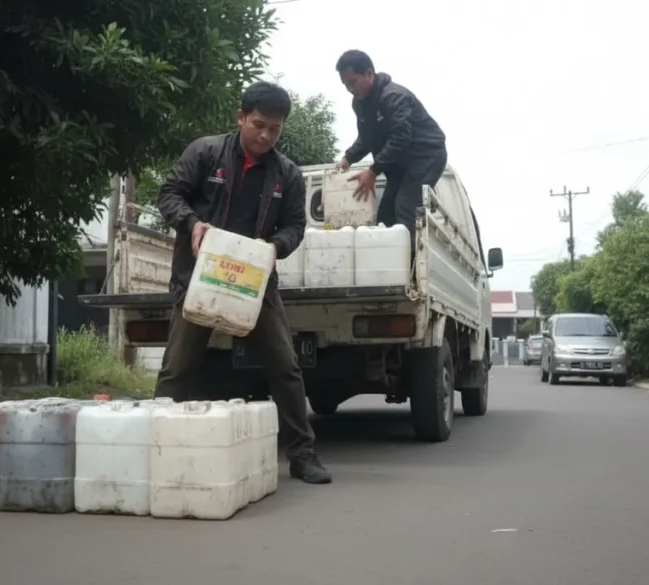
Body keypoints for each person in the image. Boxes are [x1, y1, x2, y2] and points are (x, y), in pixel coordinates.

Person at [154, 81, 332, 485]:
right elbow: (169, 193)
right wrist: (192, 222)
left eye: (275, 129)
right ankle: (156, 446)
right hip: (198, 276)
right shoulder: (206, 152)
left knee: (285, 367)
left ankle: (303, 455)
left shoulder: (286, 173)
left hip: (255, 281)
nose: (266, 135)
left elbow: (294, 226)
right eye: (258, 125)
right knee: (177, 368)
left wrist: (275, 247)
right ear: (240, 117)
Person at [334, 50, 448, 245]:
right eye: (345, 85)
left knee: (406, 206)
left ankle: (410, 266)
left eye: (352, 82)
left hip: (425, 156)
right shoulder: (359, 104)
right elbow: (366, 138)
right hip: (399, 162)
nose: (349, 89)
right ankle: (384, 266)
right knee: (386, 214)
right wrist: (348, 157)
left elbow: (401, 136)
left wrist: (373, 170)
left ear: (369, 73)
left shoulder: (394, 96)